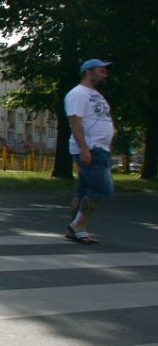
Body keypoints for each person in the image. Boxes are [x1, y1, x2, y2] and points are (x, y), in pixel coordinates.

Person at [64, 59, 115, 244]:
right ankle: (78, 225)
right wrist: (84, 149)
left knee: (84, 189)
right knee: (101, 189)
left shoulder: (96, 94)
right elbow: (75, 122)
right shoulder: (78, 94)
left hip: (99, 148)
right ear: (88, 72)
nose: (105, 74)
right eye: (101, 71)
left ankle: (73, 227)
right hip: (91, 149)